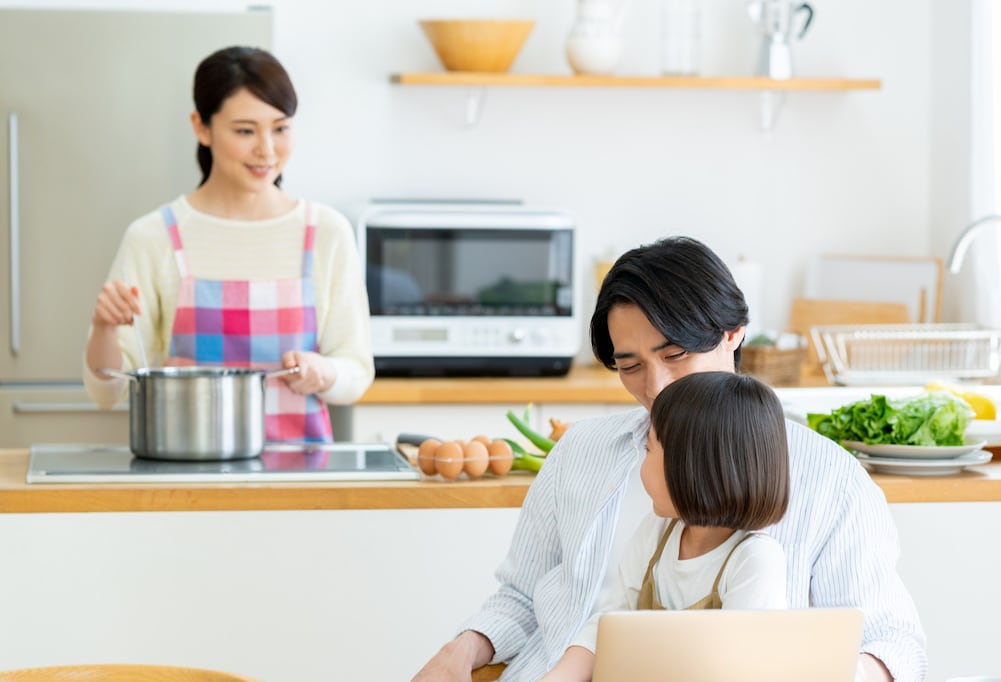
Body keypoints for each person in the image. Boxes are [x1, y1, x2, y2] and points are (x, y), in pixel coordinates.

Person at [412, 236, 926, 682]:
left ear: (733, 334)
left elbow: (892, 641)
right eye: (630, 365)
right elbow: (523, 597)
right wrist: (460, 650)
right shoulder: (581, 452)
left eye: (675, 355)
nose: (654, 388)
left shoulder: (829, 478)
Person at [83, 46, 373, 441]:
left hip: (298, 485)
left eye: (281, 127)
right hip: (185, 479)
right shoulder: (153, 237)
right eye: (245, 131)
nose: (267, 150)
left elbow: (356, 370)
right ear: (201, 127)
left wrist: (324, 372)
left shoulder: (326, 233)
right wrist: (103, 328)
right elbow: (107, 391)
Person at [540, 371, 791, 682]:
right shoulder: (658, 531)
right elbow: (611, 623)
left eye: (648, 450)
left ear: (693, 467)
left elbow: (739, 670)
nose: (641, 464)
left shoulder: (755, 561)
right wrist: (560, 676)